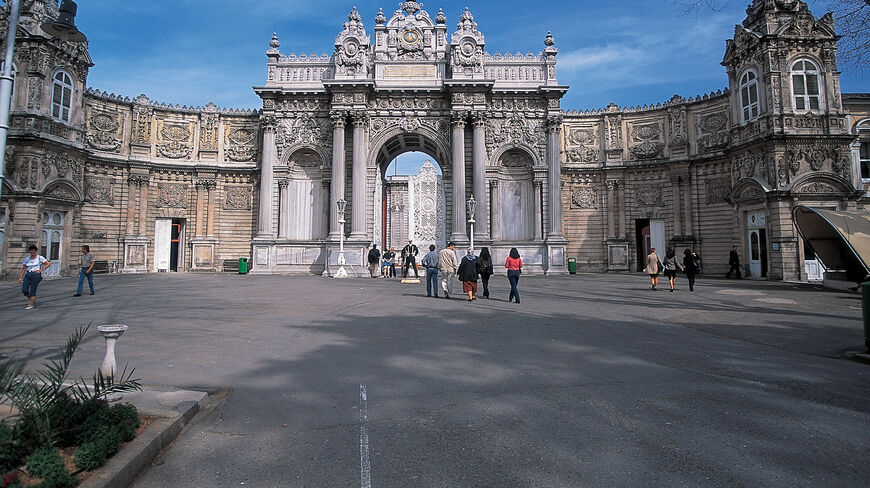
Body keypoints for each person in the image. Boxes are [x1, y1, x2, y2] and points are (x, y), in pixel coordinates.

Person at [18, 244, 51, 310]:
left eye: (33, 250)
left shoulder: (39, 258)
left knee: (33, 288)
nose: (32, 252)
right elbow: (24, 268)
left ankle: (31, 304)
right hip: (28, 274)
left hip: (36, 274)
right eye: (30, 251)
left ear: (36, 251)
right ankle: (31, 299)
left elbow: (48, 263)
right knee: (24, 289)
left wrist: (41, 269)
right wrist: (20, 277)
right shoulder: (27, 259)